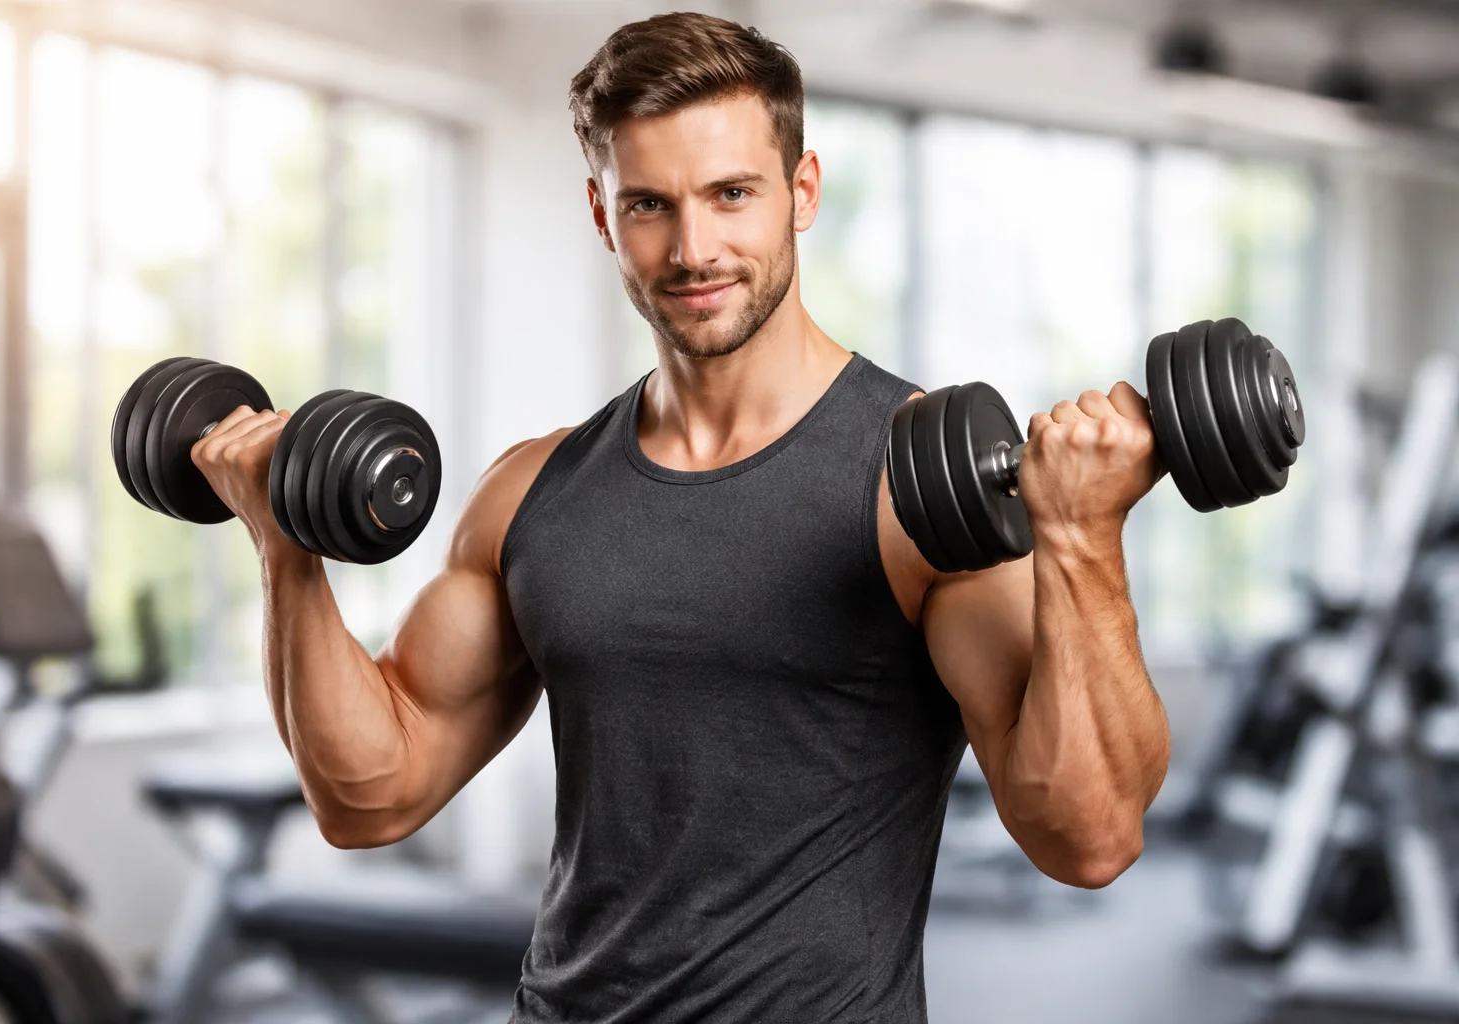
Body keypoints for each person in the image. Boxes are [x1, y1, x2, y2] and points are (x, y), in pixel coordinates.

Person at [191, 11, 1170, 1023]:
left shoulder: (922, 487)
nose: (695, 248)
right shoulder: (533, 492)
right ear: (603, 214)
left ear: (802, 192)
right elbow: (372, 793)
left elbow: (1088, 837)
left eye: (732, 194)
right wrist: (284, 550)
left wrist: (1081, 539)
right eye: (651, 204)